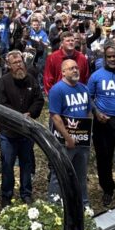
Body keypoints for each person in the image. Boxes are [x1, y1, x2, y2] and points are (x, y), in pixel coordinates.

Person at [0, 49, 44, 206]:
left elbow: (39, 100)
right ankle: (6, 196)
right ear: (9, 66)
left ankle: (26, 193)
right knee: (8, 165)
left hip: (27, 132)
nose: (19, 65)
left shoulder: (31, 79)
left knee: (27, 163)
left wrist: (31, 113)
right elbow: (2, 105)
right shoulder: (3, 82)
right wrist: (20, 117)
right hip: (9, 133)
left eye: (20, 62)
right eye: (15, 63)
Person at [89, 43, 115, 206]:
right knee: (104, 158)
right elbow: (88, 98)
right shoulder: (96, 76)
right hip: (103, 123)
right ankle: (107, 189)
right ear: (104, 58)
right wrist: (96, 113)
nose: (112, 59)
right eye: (109, 57)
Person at [47, 58, 91, 207]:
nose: (75, 70)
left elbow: (88, 111)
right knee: (59, 175)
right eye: (71, 68)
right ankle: (54, 206)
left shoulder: (84, 89)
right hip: (65, 142)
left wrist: (88, 132)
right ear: (63, 72)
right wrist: (68, 137)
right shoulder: (57, 90)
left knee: (81, 175)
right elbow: (55, 117)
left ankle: (83, 205)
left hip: (82, 141)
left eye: (76, 68)